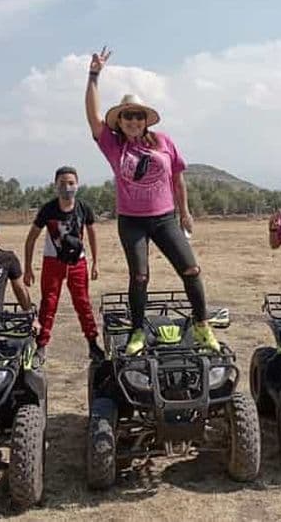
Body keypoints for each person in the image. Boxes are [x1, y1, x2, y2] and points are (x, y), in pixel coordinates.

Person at [84, 46, 219, 355]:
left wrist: (185, 212)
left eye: (138, 116)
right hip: (132, 221)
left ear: (146, 121)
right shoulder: (113, 146)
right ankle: (137, 331)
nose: (133, 120)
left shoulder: (164, 141)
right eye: (128, 116)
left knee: (191, 270)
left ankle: (202, 326)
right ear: (120, 122)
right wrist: (94, 75)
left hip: (165, 218)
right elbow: (92, 116)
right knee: (140, 276)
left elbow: (178, 177)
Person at [23, 166, 104, 363]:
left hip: (78, 262)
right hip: (53, 262)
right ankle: (41, 346)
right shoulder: (48, 209)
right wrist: (27, 267)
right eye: (62, 183)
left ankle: (93, 344)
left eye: (71, 183)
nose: (67, 187)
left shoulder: (83, 208)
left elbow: (92, 234)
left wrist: (95, 262)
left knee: (83, 303)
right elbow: (31, 238)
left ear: (77, 185)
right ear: (55, 185)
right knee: (48, 304)